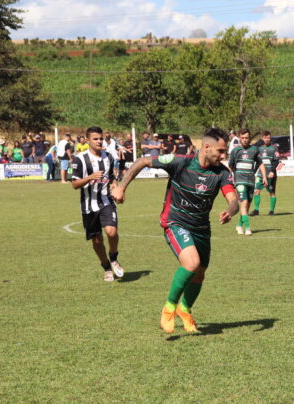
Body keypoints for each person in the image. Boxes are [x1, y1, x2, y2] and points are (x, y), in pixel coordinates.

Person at [111, 127, 239, 334]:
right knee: (192, 263)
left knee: (199, 274)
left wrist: (230, 211)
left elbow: (233, 199)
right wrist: (121, 187)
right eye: (221, 151)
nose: (224, 156)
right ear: (207, 147)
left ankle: (185, 310)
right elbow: (143, 161)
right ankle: (169, 308)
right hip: (175, 222)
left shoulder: (222, 173)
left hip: (202, 228)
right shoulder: (182, 162)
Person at [71, 126, 124, 282]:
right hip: (89, 205)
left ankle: (113, 257)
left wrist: (116, 187)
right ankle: (106, 267)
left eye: (100, 138)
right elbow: (74, 184)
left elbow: (112, 178)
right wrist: (90, 177)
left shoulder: (109, 157)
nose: (99, 141)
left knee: (112, 232)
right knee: (97, 240)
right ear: (87, 140)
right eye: (95, 139)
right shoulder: (80, 159)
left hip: (106, 201)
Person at [228, 128, 267, 235]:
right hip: (240, 181)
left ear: (249, 138)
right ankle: (248, 228)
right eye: (243, 138)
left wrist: (264, 177)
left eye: (247, 138)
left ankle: (239, 225)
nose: (245, 140)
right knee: (244, 203)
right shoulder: (235, 151)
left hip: (251, 181)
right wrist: (234, 176)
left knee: (247, 205)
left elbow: (261, 163)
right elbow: (230, 165)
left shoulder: (254, 150)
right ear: (240, 138)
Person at [250, 130, 279, 216]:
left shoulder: (274, 148)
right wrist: (253, 173)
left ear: (270, 138)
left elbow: (276, 161)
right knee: (256, 191)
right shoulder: (259, 149)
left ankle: (271, 211)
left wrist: (272, 171)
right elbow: (258, 162)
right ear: (262, 138)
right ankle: (256, 210)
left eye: (268, 138)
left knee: (272, 192)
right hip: (260, 174)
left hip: (271, 174)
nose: (267, 139)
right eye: (265, 138)